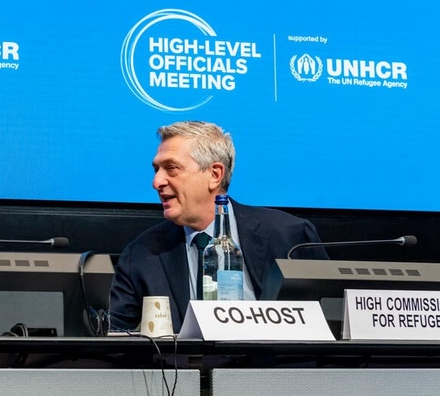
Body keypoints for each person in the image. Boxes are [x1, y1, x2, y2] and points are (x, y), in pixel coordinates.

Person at [108, 121, 327, 332]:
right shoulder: (141, 255)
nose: (157, 182)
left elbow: (332, 323)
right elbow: (114, 340)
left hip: (272, 369)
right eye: (156, 169)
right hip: (186, 369)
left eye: (171, 168)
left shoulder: (289, 236)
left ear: (214, 175)